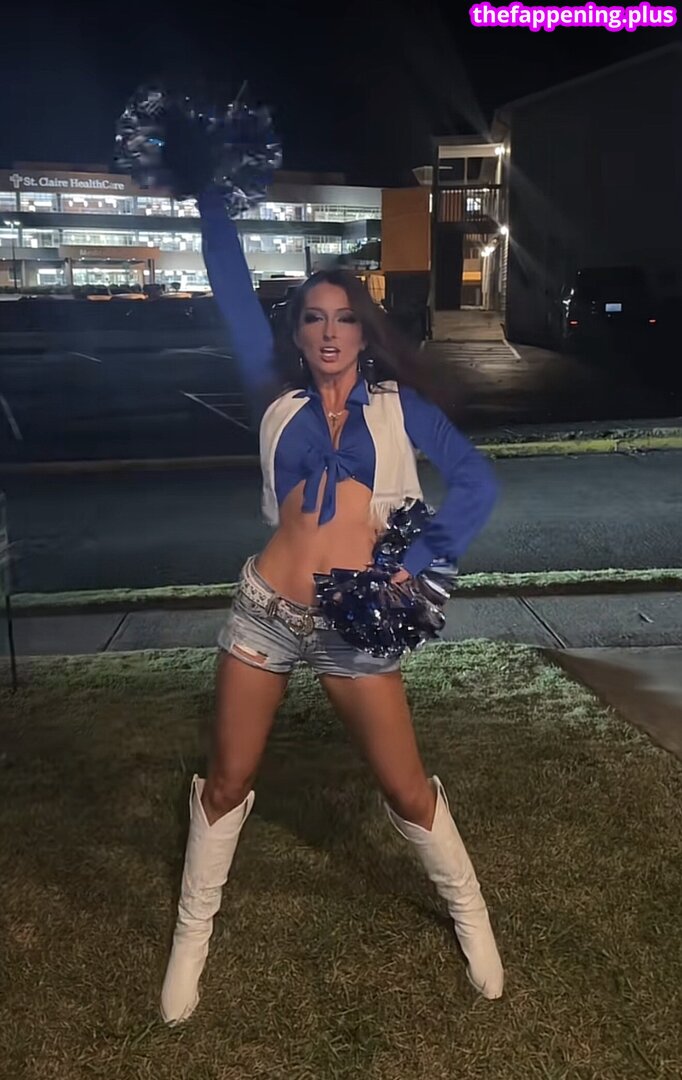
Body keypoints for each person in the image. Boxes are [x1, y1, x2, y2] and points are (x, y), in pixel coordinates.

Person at [160, 188, 504, 1024]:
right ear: (297, 333)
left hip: (355, 624)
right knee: (227, 780)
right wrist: (209, 201)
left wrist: (412, 565)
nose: (327, 332)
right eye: (313, 318)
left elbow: (476, 483)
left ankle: (470, 913)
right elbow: (232, 291)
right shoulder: (275, 401)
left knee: (407, 787)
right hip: (265, 613)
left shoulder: (398, 408)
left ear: (363, 331)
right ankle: (190, 940)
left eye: (344, 318)